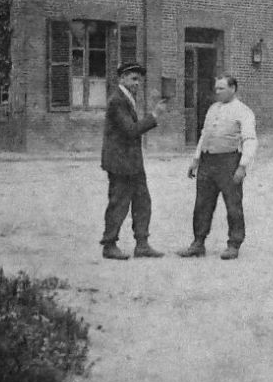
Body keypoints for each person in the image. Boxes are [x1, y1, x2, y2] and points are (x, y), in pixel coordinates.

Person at [178, 75, 258, 260]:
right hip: (207, 161)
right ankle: (198, 243)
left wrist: (242, 166)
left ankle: (234, 244)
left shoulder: (243, 111)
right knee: (202, 204)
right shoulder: (213, 108)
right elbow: (205, 135)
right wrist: (196, 159)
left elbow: (250, 140)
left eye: (221, 88)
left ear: (233, 89)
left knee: (233, 204)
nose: (217, 92)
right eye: (216, 88)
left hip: (229, 162)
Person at [100, 62, 168, 260]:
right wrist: (154, 115)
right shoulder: (117, 100)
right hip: (120, 163)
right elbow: (131, 130)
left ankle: (142, 244)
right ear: (121, 79)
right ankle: (109, 244)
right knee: (119, 202)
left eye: (140, 80)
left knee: (142, 201)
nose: (138, 83)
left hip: (132, 162)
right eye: (133, 79)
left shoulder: (127, 98)